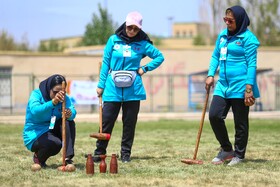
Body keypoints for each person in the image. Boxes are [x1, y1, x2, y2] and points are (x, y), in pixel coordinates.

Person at [93, 11, 164, 163]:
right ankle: (99, 152)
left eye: (135, 29)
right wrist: (101, 85)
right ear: (125, 25)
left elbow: (159, 57)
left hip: (133, 90)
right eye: (129, 27)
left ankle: (125, 154)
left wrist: (144, 68)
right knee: (106, 122)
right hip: (112, 89)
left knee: (129, 123)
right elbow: (105, 63)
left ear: (139, 29)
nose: (132, 31)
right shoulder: (113, 40)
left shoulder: (143, 44)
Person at [205, 5, 260, 166]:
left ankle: (239, 155)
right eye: (225, 19)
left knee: (240, 123)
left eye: (231, 20)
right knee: (214, 115)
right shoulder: (222, 36)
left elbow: (252, 64)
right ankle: (227, 149)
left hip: (241, 85)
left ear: (240, 21)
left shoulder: (248, 39)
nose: (227, 23)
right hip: (223, 85)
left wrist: (249, 88)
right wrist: (210, 74)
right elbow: (215, 55)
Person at [23, 74, 77, 171]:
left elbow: (73, 111)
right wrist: (53, 102)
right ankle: (38, 158)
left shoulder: (65, 98)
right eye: (55, 92)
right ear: (49, 89)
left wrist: (70, 114)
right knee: (55, 144)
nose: (59, 95)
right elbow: (35, 110)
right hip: (35, 134)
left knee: (69, 122)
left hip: (51, 128)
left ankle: (68, 158)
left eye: (62, 92)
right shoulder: (36, 94)